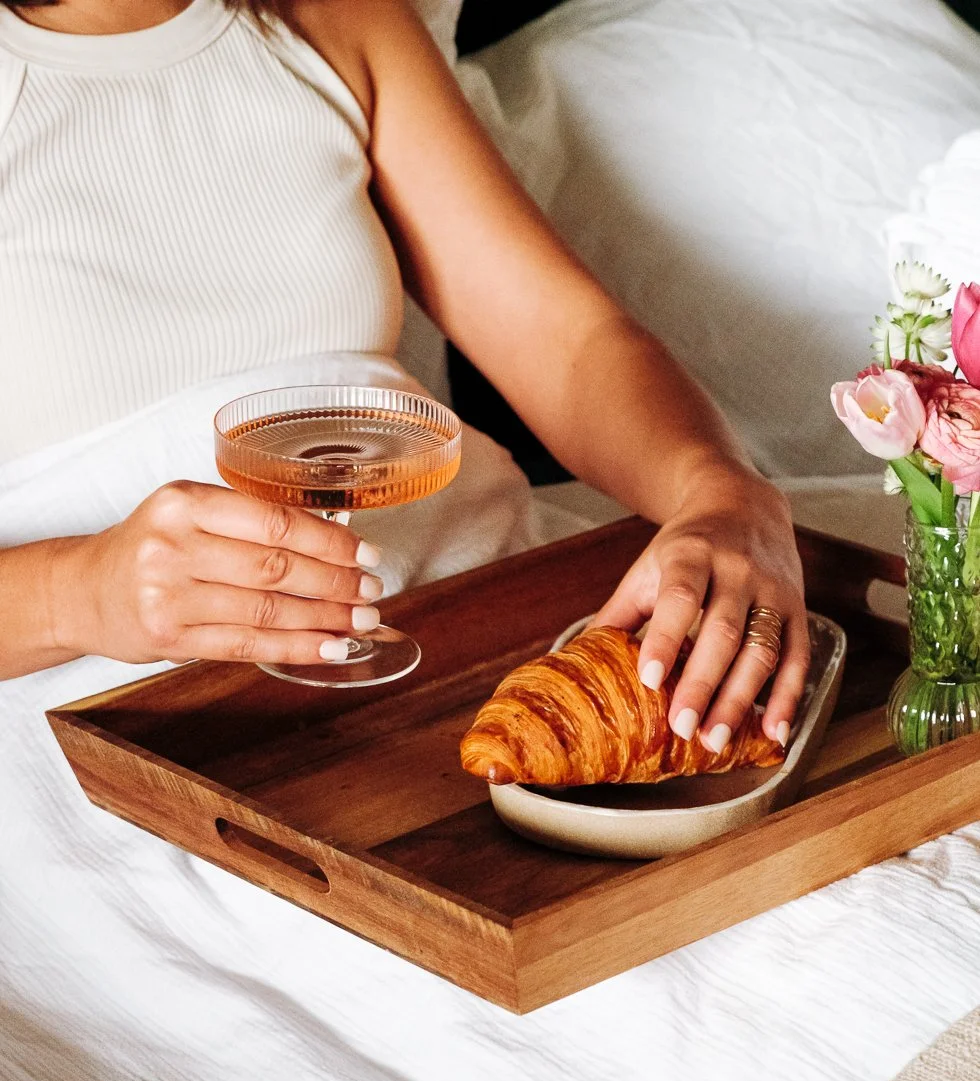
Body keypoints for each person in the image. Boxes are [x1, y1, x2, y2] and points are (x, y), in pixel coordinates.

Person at [0, 0, 807, 754]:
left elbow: (570, 340)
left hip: (474, 624)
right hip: (113, 716)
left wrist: (719, 488)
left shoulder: (333, 22)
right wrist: (75, 594)